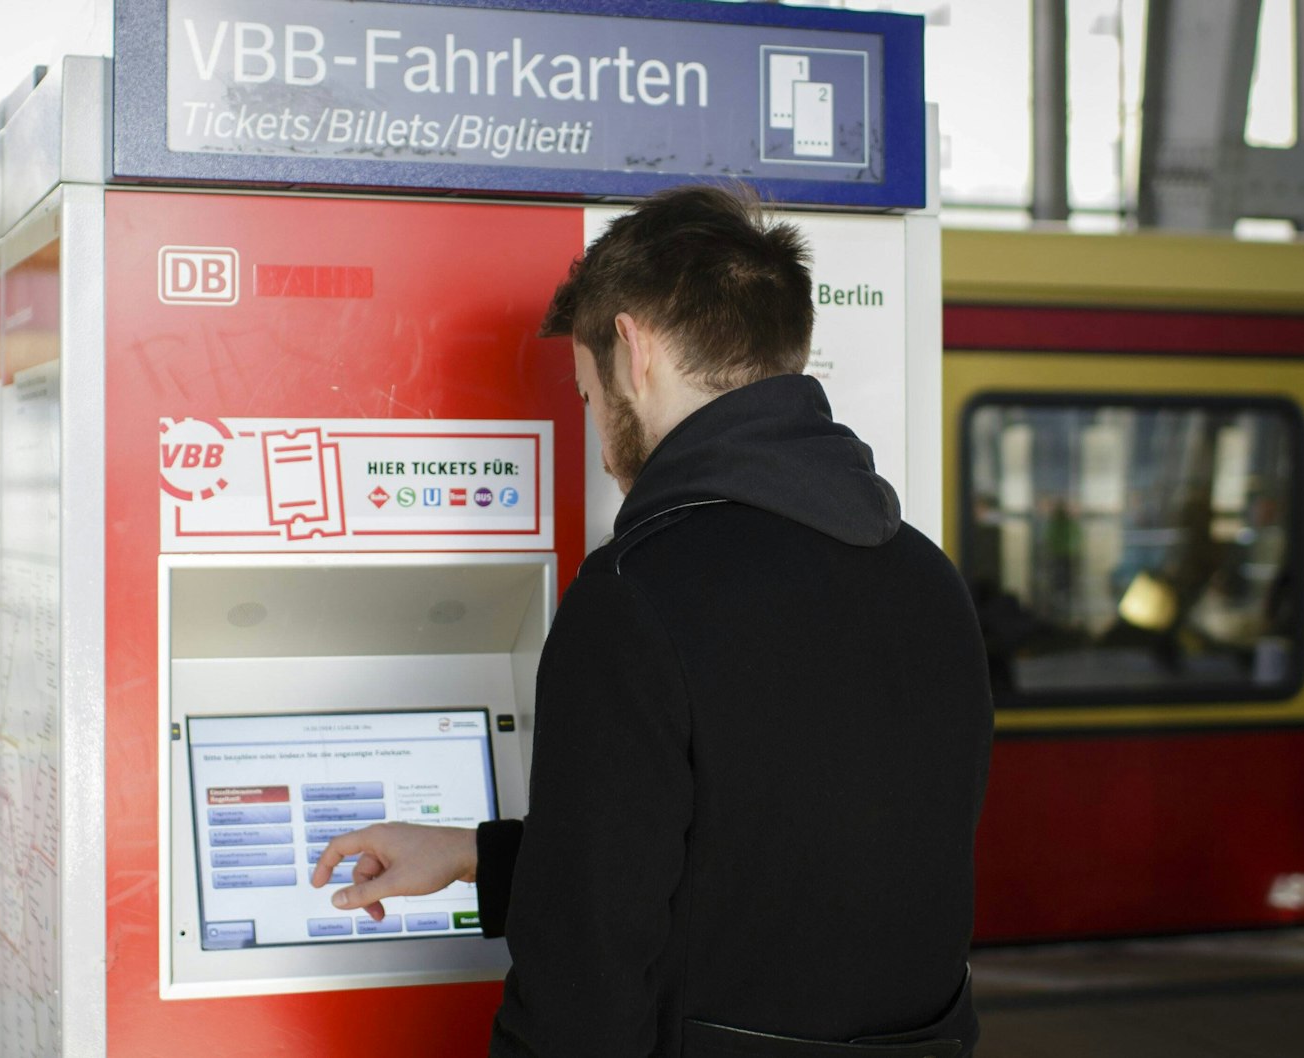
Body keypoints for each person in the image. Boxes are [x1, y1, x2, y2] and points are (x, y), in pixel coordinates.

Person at [310, 184, 994, 1058]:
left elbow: (586, 964)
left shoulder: (640, 593)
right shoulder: (921, 573)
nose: (598, 435)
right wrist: (476, 854)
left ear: (632, 350)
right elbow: (781, 861)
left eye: (586, 395)